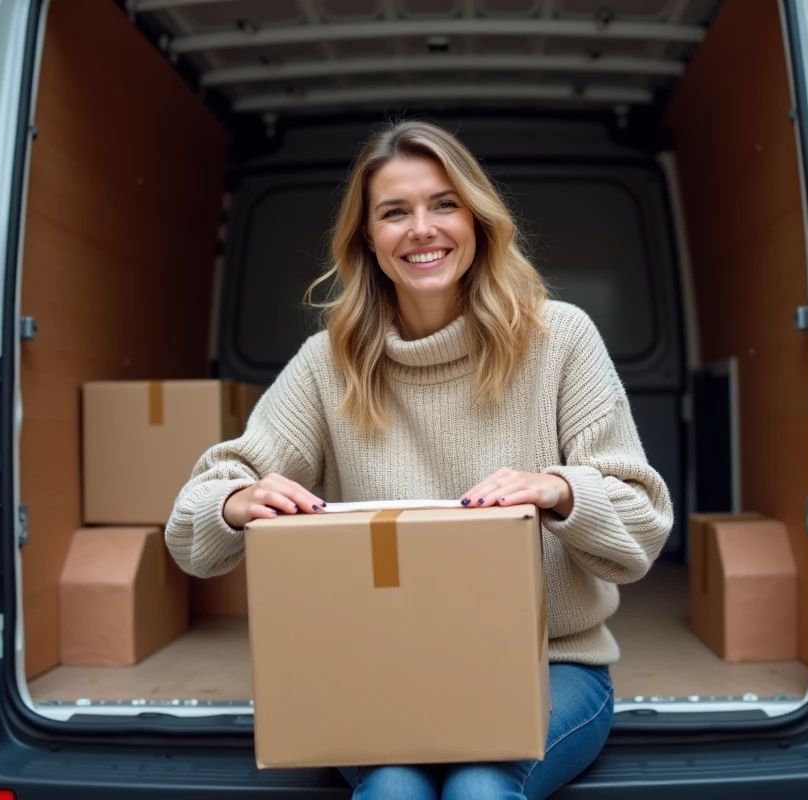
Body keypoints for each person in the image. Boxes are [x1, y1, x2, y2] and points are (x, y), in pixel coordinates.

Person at [164, 118, 674, 800]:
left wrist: (561, 488)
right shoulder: (329, 363)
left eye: (443, 204)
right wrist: (234, 503)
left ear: (477, 219)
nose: (422, 229)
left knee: (479, 787)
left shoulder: (560, 338)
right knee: (395, 789)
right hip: (378, 671)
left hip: (550, 665)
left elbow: (642, 524)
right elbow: (191, 524)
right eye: (394, 212)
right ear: (368, 240)